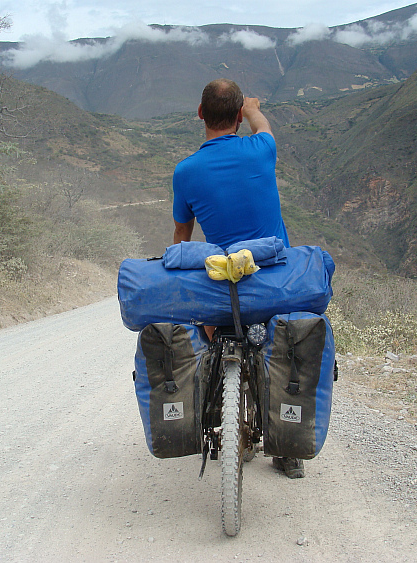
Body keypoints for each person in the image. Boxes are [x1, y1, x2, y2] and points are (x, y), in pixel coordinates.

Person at [171, 78, 303, 479]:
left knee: (206, 333)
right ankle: (287, 449)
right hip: (272, 283)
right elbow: (262, 125)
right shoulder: (263, 148)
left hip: (222, 289)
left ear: (199, 115)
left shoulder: (186, 171)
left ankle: (214, 403)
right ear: (238, 114)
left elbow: (181, 240)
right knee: (285, 352)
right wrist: (250, 108)